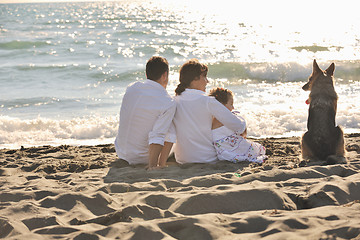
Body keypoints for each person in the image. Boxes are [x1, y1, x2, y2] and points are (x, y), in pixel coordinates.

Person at [168, 59, 247, 164]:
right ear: (195, 79)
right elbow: (238, 127)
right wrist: (242, 121)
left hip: (182, 159)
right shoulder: (208, 101)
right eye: (204, 77)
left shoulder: (174, 101)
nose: (207, 81)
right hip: (207, 158)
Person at [114, 56, 176, 169]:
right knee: (172, 125)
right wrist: (152, 165)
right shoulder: (168, 101)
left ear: (147, 75)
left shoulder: (131, 88)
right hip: (142, 158)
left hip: (122, 153)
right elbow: (158, 135)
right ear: (165, 76)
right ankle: (160, 164)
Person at [209, 87, 267, 163]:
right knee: (257, 149)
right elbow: (240, 128)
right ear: (222, 105)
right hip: (228, 146)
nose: (233, 107)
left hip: (222, 149)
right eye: (231, 104)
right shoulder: (223, 117)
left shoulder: (213, 117)